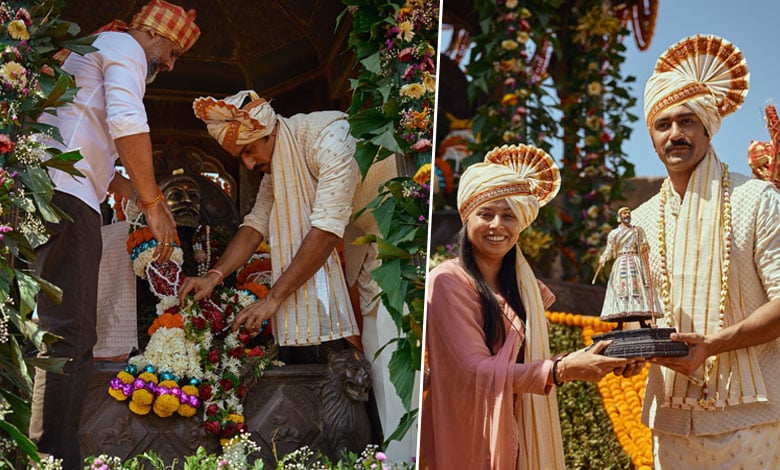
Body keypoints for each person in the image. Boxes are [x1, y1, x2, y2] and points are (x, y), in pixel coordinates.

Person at [30, 2, 200, 467]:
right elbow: (128, 123)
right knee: (70, 335)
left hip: (54, 189)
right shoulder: (125, 45)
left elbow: (98, 155)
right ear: (155, 37)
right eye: (171, 52)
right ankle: (51, 459)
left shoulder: (98, 48)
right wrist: (152, 205)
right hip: (67, 198)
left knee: (58, 332)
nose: (168, 64)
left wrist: (140, 197)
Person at [420, 143, 641, 469]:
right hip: (468, 440)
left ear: (521, 224)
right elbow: (474, 371)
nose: (498, 225)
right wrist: (562, 370)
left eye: (509, 216)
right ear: (466, 218)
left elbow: (529, 362)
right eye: (486, 213)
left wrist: (599, 360)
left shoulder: (527, 290)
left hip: (518, 433)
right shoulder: (447, 282)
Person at [631, 34, 780, 468]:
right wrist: (629, 348)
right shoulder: (640, 219)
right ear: (652, 135)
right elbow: (641, 315)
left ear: (708, 128)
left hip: (752, 417)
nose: (675, 134)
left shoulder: (758, 199)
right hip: (672, 421)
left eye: (687, 121)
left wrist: (711, 344)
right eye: (663, 125)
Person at [181, 90, 361, 354]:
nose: (250, 164)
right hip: (362, 246)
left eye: (250, 150)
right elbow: (255, 226)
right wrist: (213, 276)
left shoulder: (331, 137)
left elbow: (326, 229)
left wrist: (273, 299)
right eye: (241, 157)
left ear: (269, 132)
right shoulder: (277, 164)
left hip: (392, 236)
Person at [594, 206, 660, 328]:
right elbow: (610, 249)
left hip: (635, 262)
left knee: (638, 290)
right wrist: (603, 258)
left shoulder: (638, 231)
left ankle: (642, 322)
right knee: (620, 291)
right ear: (620, 217)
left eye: (628, 213)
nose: (627, 215)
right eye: (624, 213)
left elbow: (643, 244)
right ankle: (620, 323)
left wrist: (644, 247)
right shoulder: (614, 233)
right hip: (621, 262)